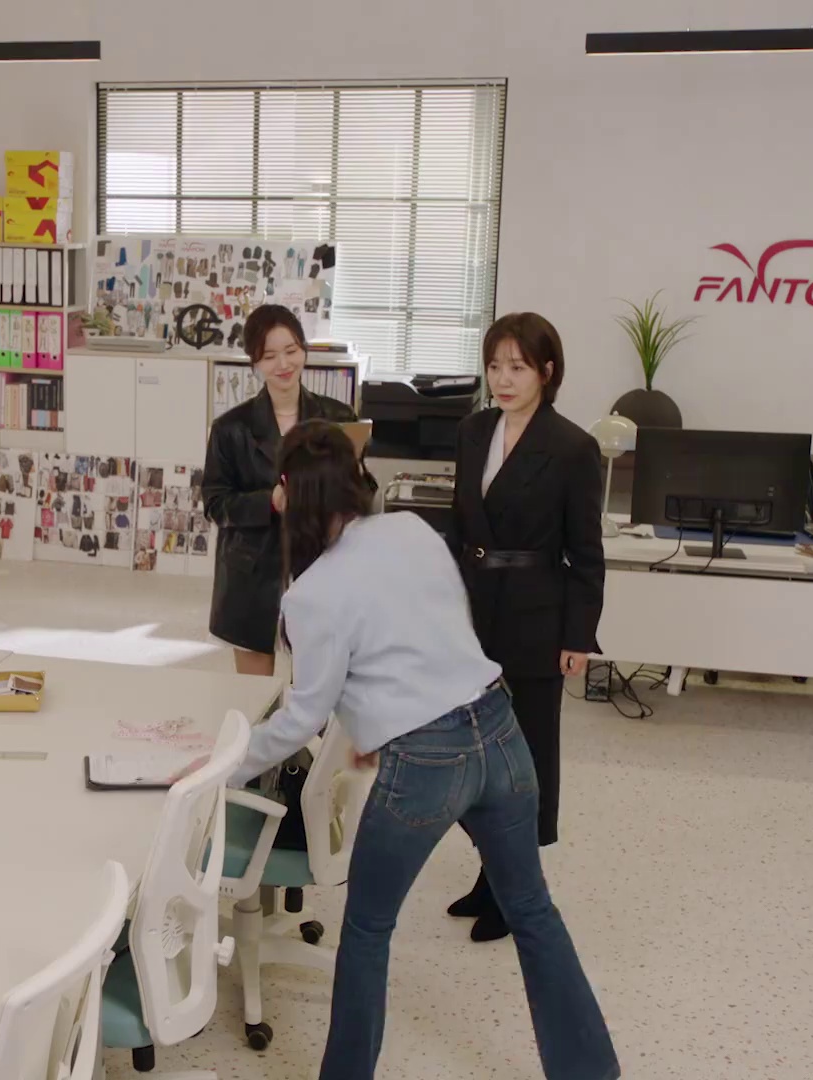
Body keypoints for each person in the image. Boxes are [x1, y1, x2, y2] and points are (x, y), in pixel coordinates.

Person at [226, 420, 617, 1080]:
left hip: (426, 763)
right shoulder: (411, 529)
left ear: (293, 491)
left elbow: (301, 718)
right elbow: (437, 629)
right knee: (533, 912)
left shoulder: (310, 594)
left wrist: (223, 767)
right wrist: (376, 725)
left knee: (368, 929)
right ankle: (590, 1071)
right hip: (500, 730)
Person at [443, 313, 606, 942]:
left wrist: (578, 636)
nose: (503, 379)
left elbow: (586, 554)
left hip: (537, 615)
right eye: (494, 366)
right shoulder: (472, 430)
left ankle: (515, 890)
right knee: (473, 751)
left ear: (547, 371)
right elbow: (459, 525)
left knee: (526, 759)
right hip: (473, 610)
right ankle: (489, 873)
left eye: (517, 366)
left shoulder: (572, 448)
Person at [202, 304, 355, 676]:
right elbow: (216, 502)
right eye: (269, 356)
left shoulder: (338, 419)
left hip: (321, 563)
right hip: (252, 570)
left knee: (317, 689)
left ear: (304, 349)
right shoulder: (230, 428)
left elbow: (360, 491)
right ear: (254, 362)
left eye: (291, 350)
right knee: (255, 695)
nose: (283, 364)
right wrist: (269, 501)